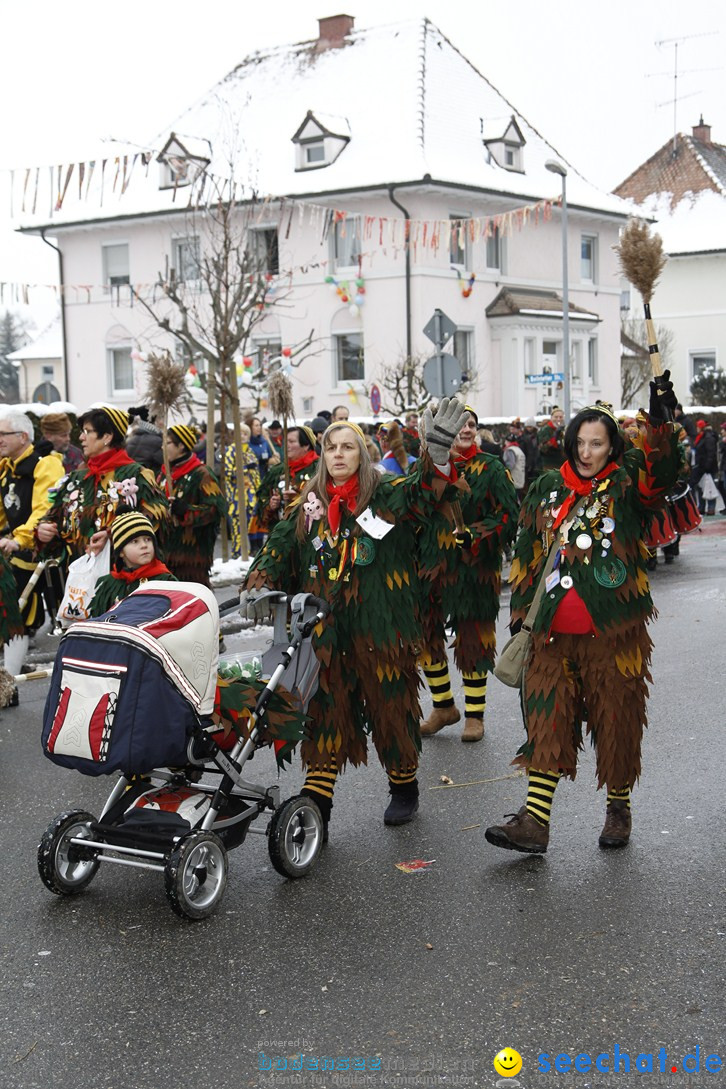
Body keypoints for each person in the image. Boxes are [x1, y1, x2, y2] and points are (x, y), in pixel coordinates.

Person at [242, 399, 469, 835]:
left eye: (348, 447)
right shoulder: (309, 504)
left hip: (381, 631)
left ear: (362, 455)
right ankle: (317, 798)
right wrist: (259, 582)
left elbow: (425, 493)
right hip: (325, 634)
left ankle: (404, 785)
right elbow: (278, 547)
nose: (339, 455)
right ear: (323, 456)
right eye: (332, 448)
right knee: (326, 713)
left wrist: (435, 456)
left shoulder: (385, 495)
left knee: (391, 712)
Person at [485, 375, 680, 854]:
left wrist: (660, 423)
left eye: (598, 443)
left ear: (613, 447)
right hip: (551, 636)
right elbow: (528, 549)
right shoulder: (549, 488)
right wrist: (520, 612)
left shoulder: (627, 486)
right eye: (581, 442)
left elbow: (661, 474)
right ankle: (535, 822)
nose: (587, 451)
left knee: (616, 722)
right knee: (548, 724)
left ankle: (617, 806)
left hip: (612, 636)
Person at [418, 406, 519, 742]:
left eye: (472, 424)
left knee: (474, 641)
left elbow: (508, 516)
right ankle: (443, 706)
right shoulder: (428, 467)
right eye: (459, 424)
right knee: (425, 634)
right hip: (433, 566)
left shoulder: (491, 468)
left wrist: (475, 534)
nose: (466, 429)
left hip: (474, 569)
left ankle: (475, 715)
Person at [36, 404, 168, 563]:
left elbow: (155, 519)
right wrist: (44, 529)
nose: (81, 438)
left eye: (87, 432)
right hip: (79, 578)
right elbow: (52, 518)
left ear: (107, 437)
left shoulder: (137, 475)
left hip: (121, 578)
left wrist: (113, 534)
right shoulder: (75, 478)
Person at [0, 410, 65, 690]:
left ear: (23, 436)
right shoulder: (6, 467)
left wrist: (20, 539)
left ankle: (8, 684)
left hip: (43, 556)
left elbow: (44, 510)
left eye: (4, 434)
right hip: (14, 551)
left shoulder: (45, 465)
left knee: (18, 616)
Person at [156, 424, 226, 586]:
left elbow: (215, 509)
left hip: (191, 557)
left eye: (167, 443)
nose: (162, 447)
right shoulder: (164, 473)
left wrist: (185, 511)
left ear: (181, 446)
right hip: (165, 554)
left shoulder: (201, 474)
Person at [89, 512, 176, 616]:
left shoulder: (165, 581)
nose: (144, 545)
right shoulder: (109, 584)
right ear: (121, 551)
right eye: (135, 541)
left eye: (148, 539)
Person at [256, 425, 319, 530]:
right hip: (283, 534)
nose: (286, 446)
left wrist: (298, 498)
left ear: (306, 445)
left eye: (292, 442)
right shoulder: (277, 471)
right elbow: (261, 499)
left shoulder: (320, 468)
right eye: (286, 442)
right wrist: (271, 505)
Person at [224, 424, 262, 557]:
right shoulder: (231, 451)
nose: (243, 437)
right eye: (240, 434)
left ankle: (246, 552)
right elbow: (227, 471)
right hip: (236, 495)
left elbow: (256, 474)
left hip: (251, 495)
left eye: (246, 434)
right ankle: (237, 552)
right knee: (237, 526)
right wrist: (245, 468)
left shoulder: (250, 452)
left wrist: (259, 489)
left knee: (249, 525)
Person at [691, 418, 718, 515]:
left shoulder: (708, 438)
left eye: (697, 427)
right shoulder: (701, 437)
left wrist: (707, 466)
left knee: (709, 487)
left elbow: (711, 453)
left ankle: (711, 507)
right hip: (701, 467)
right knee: (701, 487)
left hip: (707, 468)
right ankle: (701, 507)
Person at [126, 406, 164, 472]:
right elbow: (166, 462)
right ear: (153, 420)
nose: (163, 422)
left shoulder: (132, 438)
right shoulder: (157, 441)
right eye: (161, 418)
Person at [538, 406, 566, 470]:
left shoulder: (564, 429)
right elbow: (543, 449)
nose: (558, 419)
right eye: (556, 417)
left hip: (563, 464)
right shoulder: (545, 430)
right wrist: (555, 436)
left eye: (560, 417)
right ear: (551, 418)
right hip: (549, 465)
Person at [502, 428, 526, 501]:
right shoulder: (519, 449)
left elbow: (510, 465)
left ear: (507, 441)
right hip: (520, 479)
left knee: (514, 501)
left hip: (513, 480)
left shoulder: (510, 450)